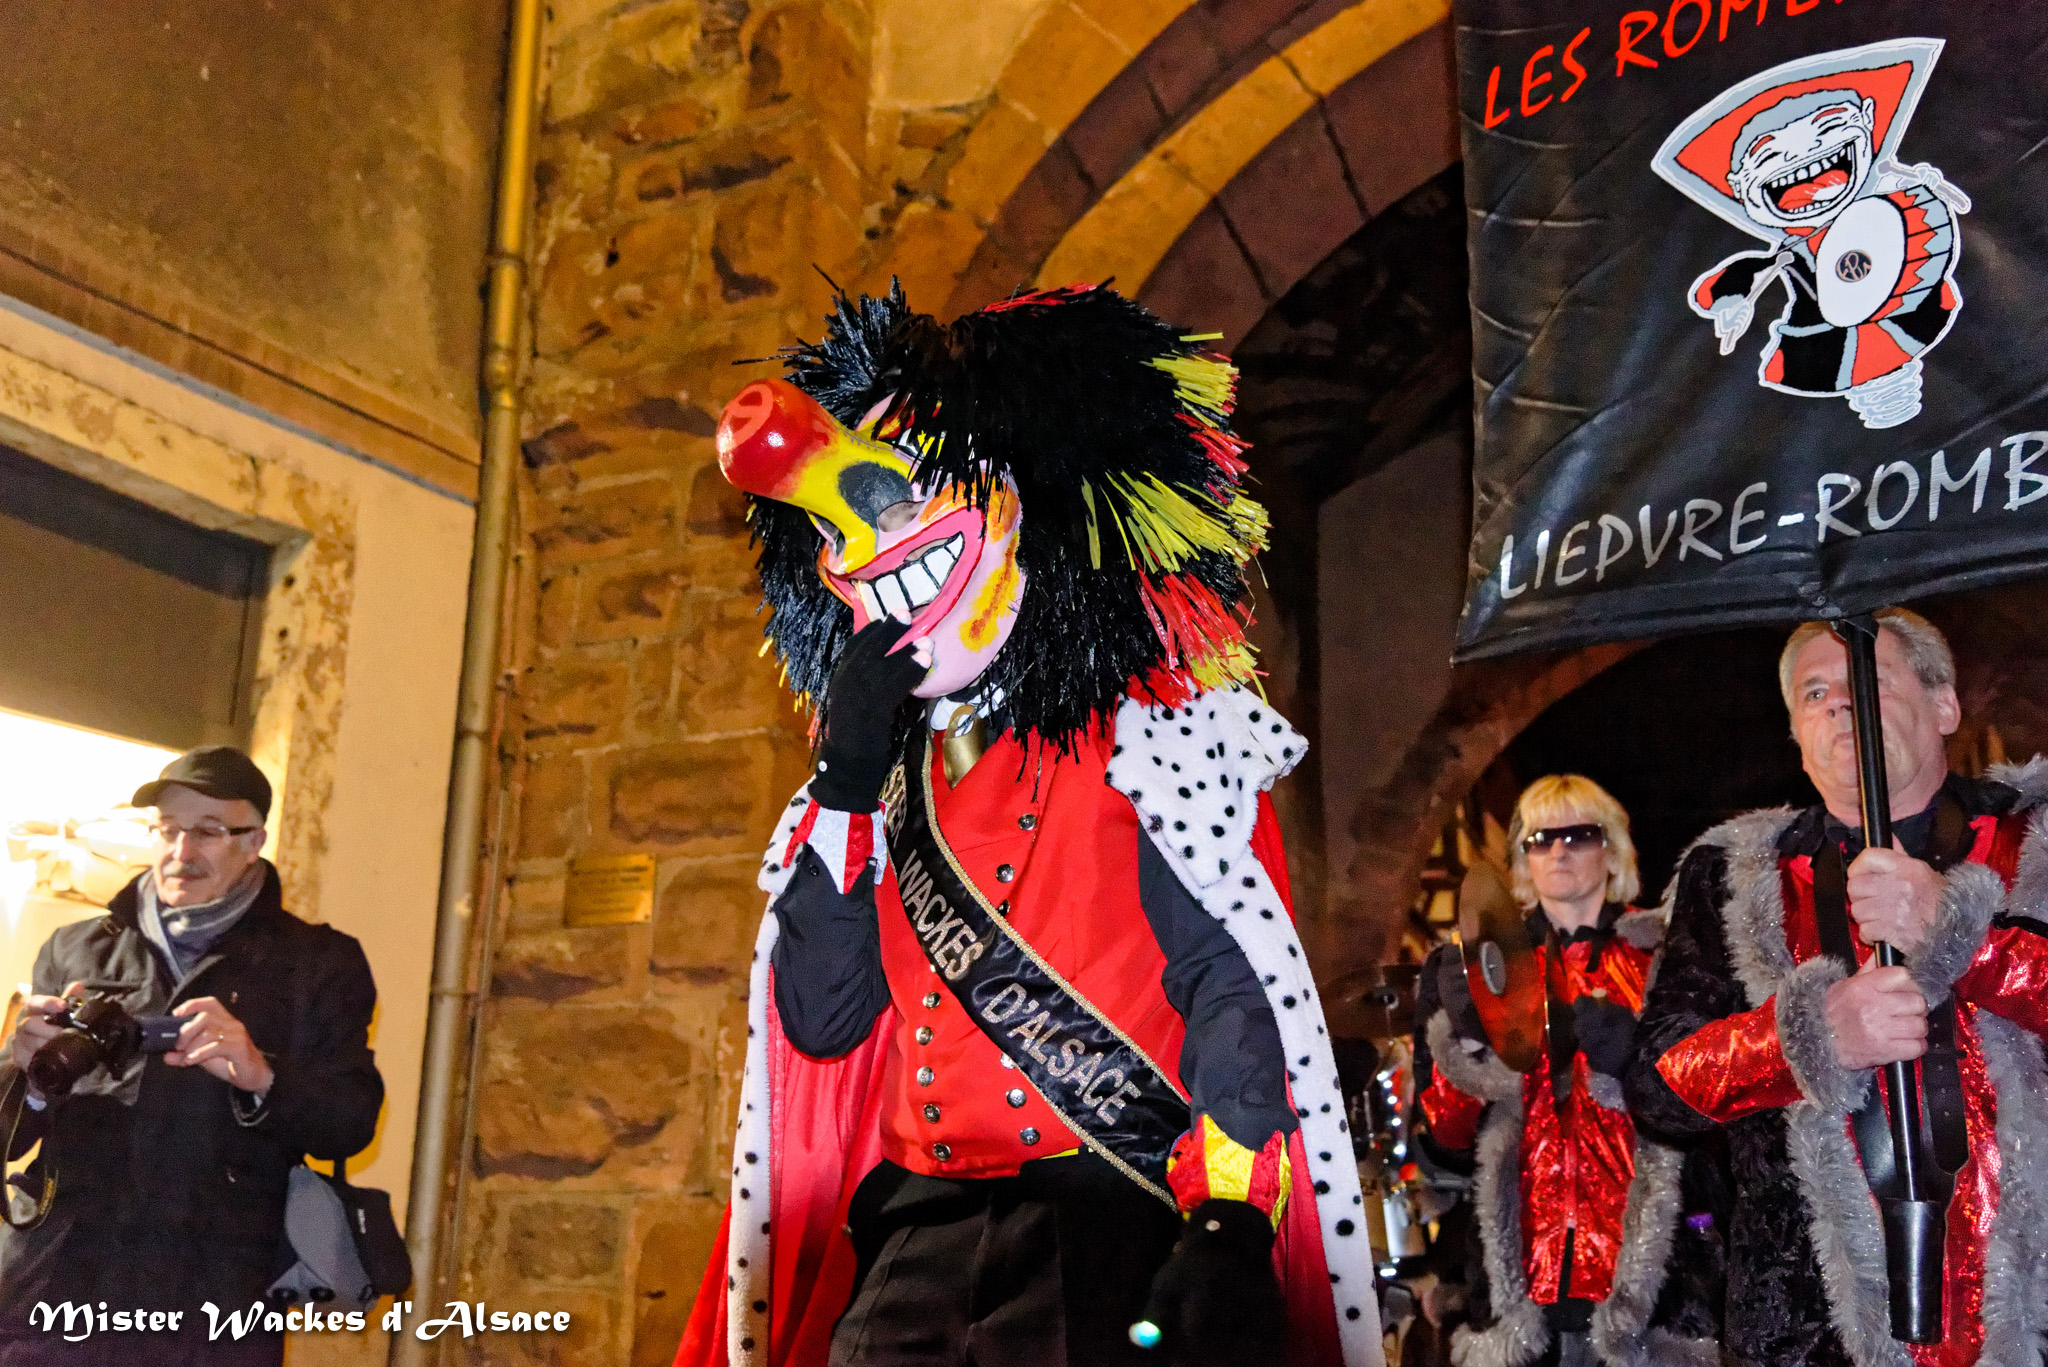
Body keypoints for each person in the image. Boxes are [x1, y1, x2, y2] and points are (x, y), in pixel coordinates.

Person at [675, 284, 1378, 1367]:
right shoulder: (873, 789)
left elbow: (1225, 984)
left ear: (1020, 499)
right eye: (840, 521)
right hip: (912, 1236)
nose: (870, 535)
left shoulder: (1152, 730)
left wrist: (1230, 1216)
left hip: (1100, 1226)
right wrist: (846, 783)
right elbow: (822, 1024)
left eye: (903, 494)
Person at [1626, 608, 2048, 1367]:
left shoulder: (2034, 840)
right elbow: (1659, 1086)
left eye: (1865, 683)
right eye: (1814, 693)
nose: (1838, 707)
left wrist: (1963, 938)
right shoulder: (1733, 876)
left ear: (1944, 704)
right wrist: (1803, 1039)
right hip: (1807, 1327)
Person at [0, 746, 383, 1366]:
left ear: (253, 840)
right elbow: (15, 1136)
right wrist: (27, 1075)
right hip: (61, 1287)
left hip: (213, 1301)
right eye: (168, 831)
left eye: (207, 833)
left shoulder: (317, 964)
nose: (181, 852)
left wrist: (261, 1074)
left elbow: (350, 1121)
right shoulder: (74, 949)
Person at [1411, 776, 1717, 1367]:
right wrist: (1470, 1048)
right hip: (1518, 1288)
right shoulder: (1475, 970)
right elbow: (1444, 1144)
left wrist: (1640, 1063)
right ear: (1522, 856)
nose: (1558, 851)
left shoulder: (1668, 956)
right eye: (1540, 838)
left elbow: (1717, 1111)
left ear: (1613, 848)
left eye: (1579, 834)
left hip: (1655, 1290)